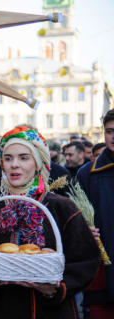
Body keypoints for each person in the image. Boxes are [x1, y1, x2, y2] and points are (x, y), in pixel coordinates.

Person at [0, 126, 99, 318]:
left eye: (23, 157)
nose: (14, 165)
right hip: (4, 311)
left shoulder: (61, 208)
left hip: (53, 312)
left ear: (38, 162)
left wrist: (56, 289)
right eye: (8, 158)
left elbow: (86, 260)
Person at [78, 109, 114, 318]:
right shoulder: (88, 173)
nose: (113, 137)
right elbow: (78, 219)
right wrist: (85, 230)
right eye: (109, 131)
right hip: (103, 262)